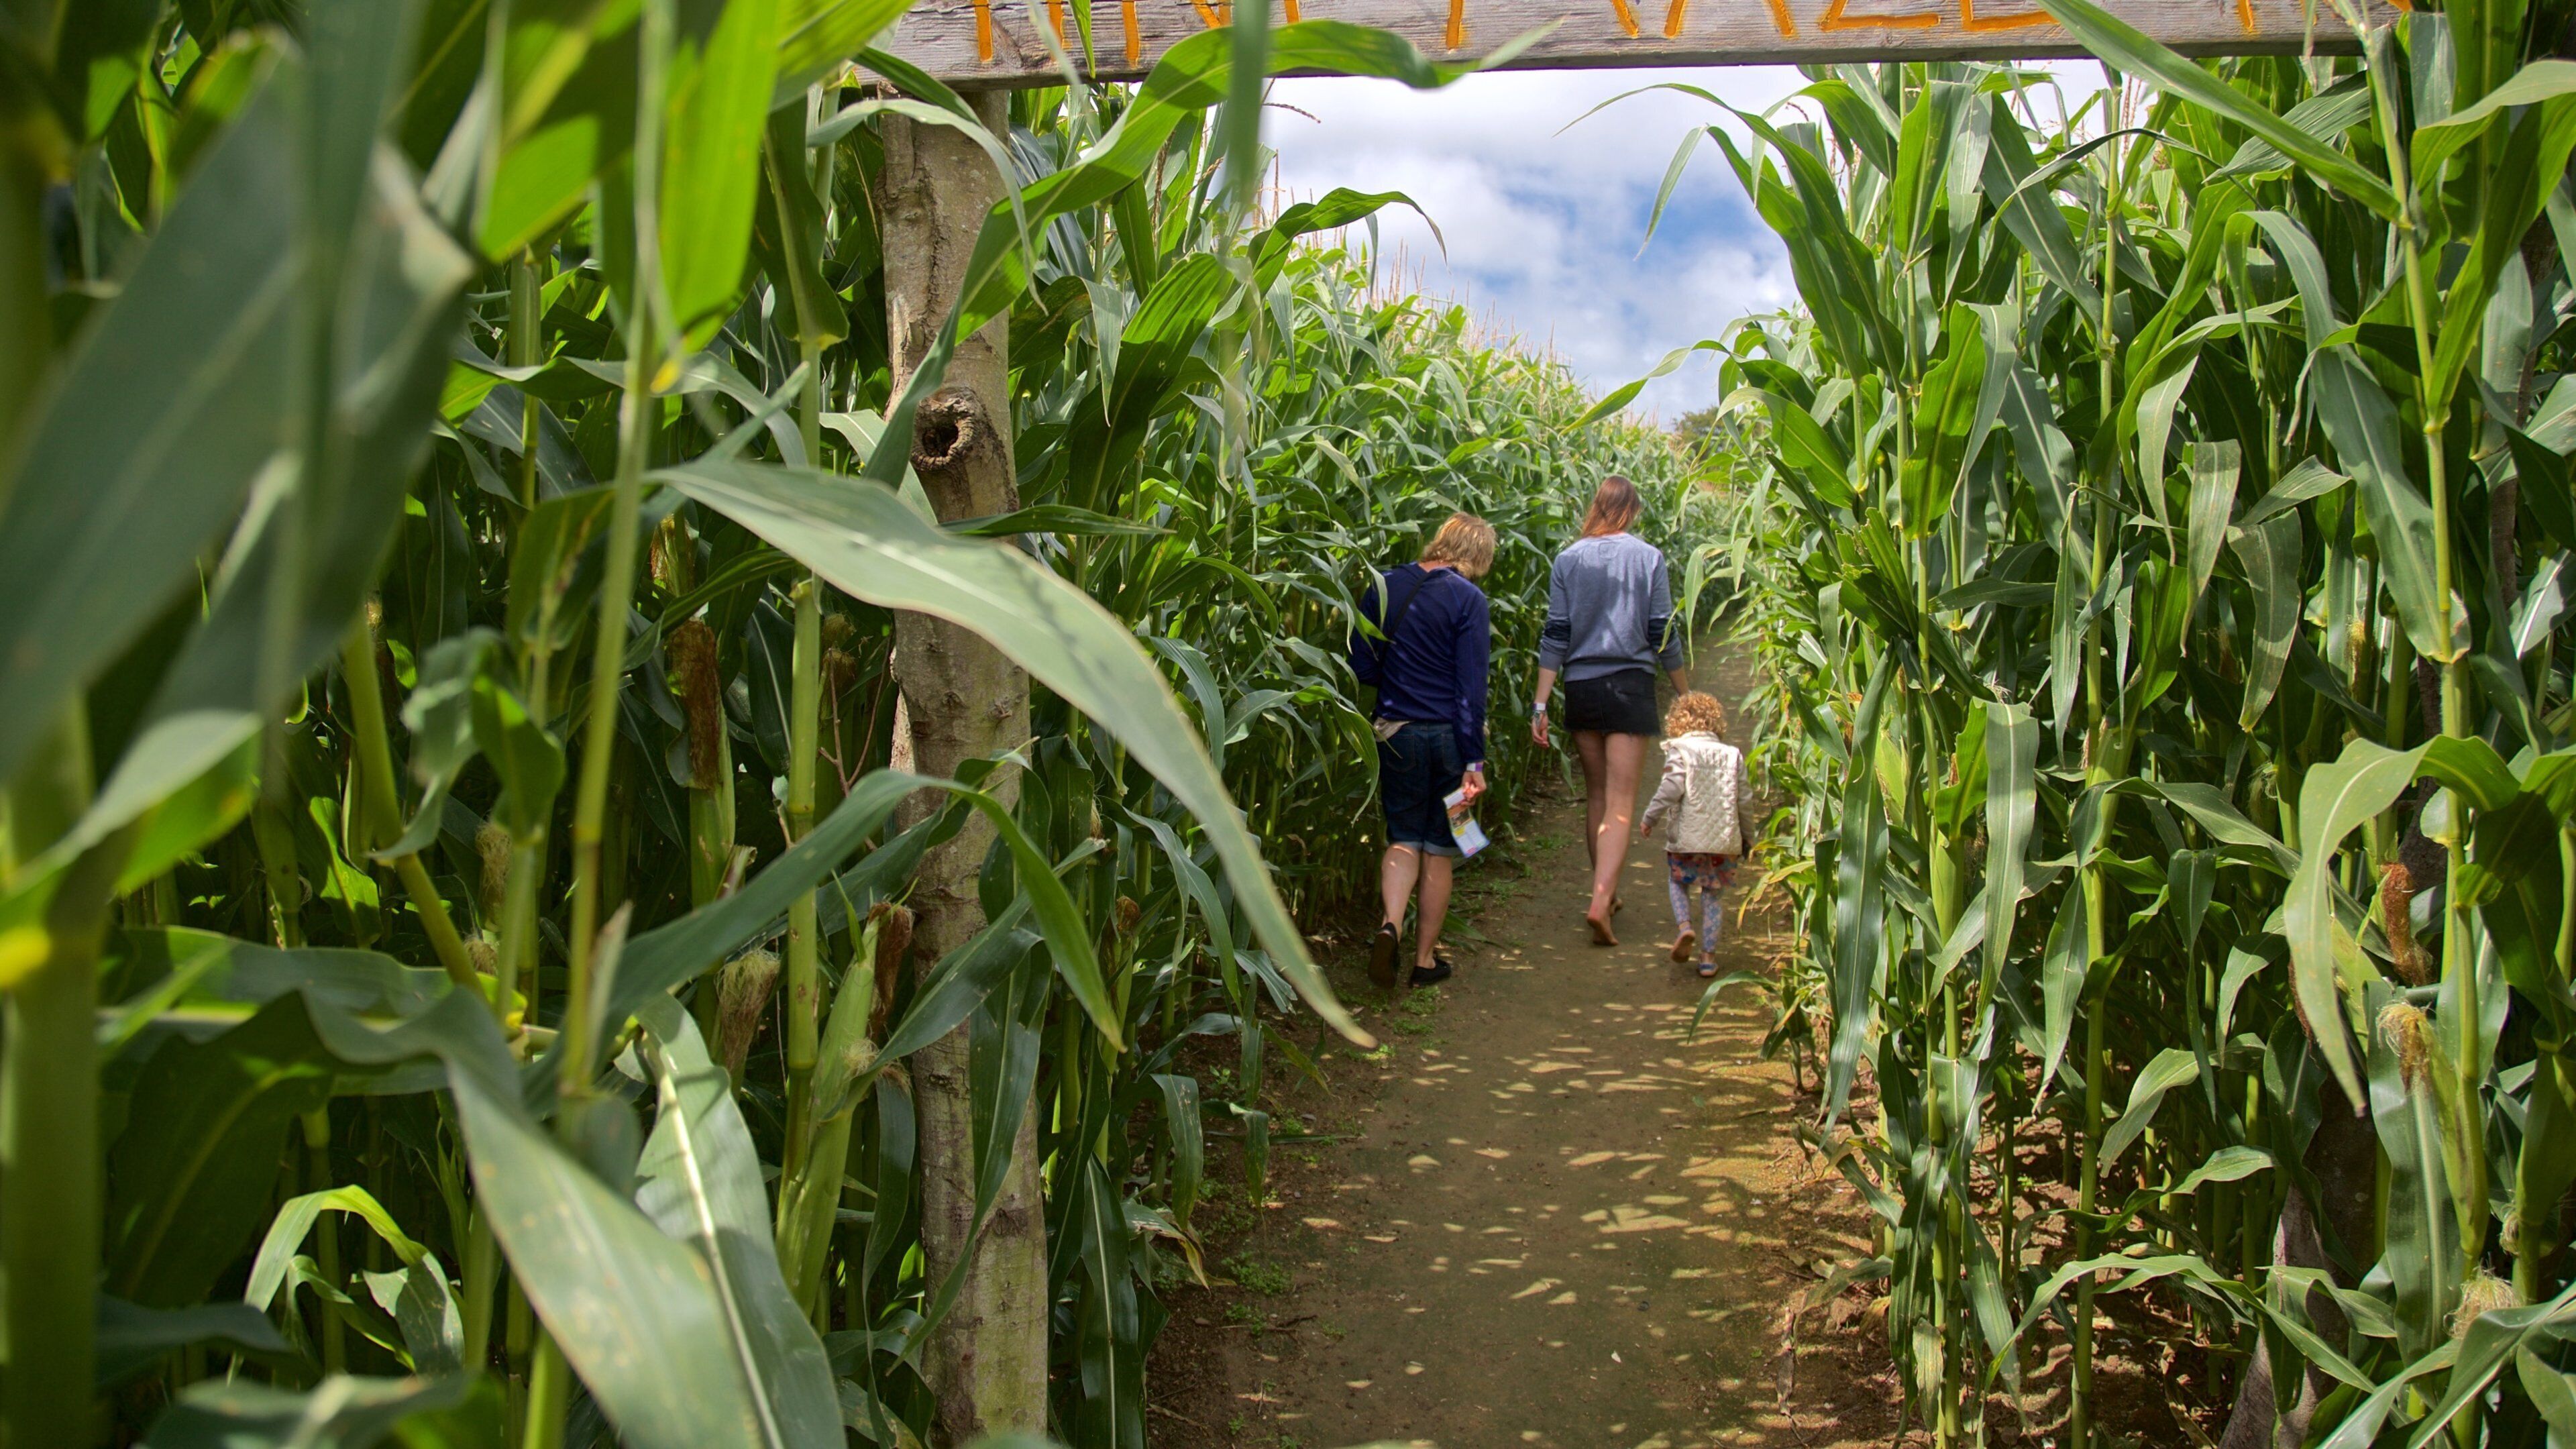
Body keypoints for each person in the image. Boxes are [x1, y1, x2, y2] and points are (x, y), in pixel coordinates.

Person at [1530, 476, 1688, 946]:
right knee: (1621, 803)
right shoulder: (1649, 558)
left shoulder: (1568, 559)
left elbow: (1555, 633)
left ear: (1598, 507)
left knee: (1597, 796)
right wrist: (1682, 691)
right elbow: (1662, 631)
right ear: (1632, 510)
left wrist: (1541, 702)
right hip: (1629, 686)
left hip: (1581, 687)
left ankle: (1608, 892)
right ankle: (1600, 902)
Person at [1350, 513, 1496, 990]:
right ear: (1474, 556)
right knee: (1440, 849)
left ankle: (1390, 923)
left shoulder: (1386, 585)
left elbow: (1362, 663)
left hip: (1398, 734)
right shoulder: (1469, 599)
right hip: (1452, 742)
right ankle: (1425, 960)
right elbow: (1471, 688)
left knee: (1402, 838)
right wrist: (1474, 762)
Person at [1635, 691, 1754, 978]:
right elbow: (1744, 799)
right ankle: (1708, 958)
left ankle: (1685, 928)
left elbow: (1671, 788)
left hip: (1687, 838)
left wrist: (1650, 816)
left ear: (1677, 722)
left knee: (1678, 882)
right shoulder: (1732, 755)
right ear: (1715, 723)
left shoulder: (1681, 751)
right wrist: (1748, 836)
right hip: (1723, 841)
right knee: (1713, 895)